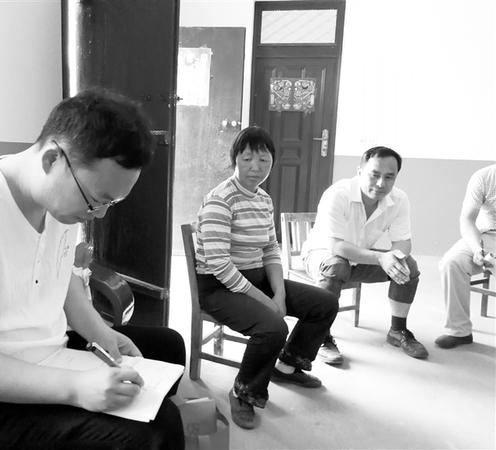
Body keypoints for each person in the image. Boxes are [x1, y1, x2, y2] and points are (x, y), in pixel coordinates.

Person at [0, 87, 186, 449]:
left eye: (111, 203)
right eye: (96, 200)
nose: (98, 214)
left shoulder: (61, 205)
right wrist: (76, 388)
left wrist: (101, 333)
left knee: (169, 348)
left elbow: (61, 278)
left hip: (48, 354)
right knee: (155, 429)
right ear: (52, 159)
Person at [195, 126, 339, 430]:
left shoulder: (263, 198)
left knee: (325, 303)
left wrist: (280, 295)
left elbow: (271, 248)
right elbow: (220, 266)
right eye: (247, 159)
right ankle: (243, 391)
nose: (255, 167)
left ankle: (286, 367)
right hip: (218, 287)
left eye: (263, 160)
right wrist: (267, 302)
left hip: (255, 278)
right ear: (234, 159)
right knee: (273, 327)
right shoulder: (221, 200)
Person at [302, 146, 428, 364]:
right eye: (374, 175)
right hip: (322, 256)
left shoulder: (399, 199)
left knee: (408, 265)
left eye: (389, 177)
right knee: (337, 265)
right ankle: (320, 335)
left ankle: (397, 330)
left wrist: (395, 257)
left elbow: (403, 241)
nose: (381, 183)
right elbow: (336, 246)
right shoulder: (338, 194)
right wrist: (381, 258)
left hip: (359, 259)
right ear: (359, 171)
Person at [436, 163, 496, 348]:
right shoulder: (484, 177)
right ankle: (459, 331)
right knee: (452, 262)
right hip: (487, 235)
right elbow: (467, 220)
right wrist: (477, 249)